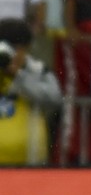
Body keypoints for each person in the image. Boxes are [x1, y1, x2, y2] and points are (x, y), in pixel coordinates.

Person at [0, 18, 62, 165]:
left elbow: (54, 99)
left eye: (18, 49)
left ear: (26, 48)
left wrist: (18, 75)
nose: (13, 54)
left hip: (30, 161)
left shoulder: (38, 70)